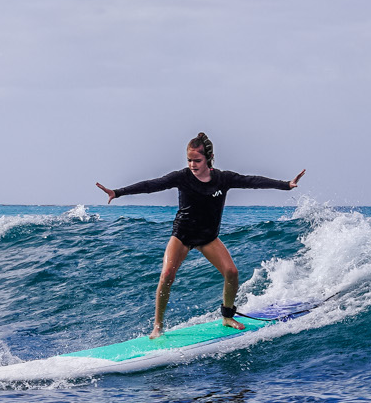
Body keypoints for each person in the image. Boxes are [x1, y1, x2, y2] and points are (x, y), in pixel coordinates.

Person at [97, 132, 304, 338]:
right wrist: (118, 192)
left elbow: (252, 181)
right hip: (183, 234)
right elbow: (152, 185)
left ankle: (227, 316)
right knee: (167, 274)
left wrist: (285, 185)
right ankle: (158, 326)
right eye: (189, 160)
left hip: (207, 237)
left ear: (209, 159)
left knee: (231, 272)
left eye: (197, 160)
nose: (192, 165)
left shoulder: (223, 179)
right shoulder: (182, 177)